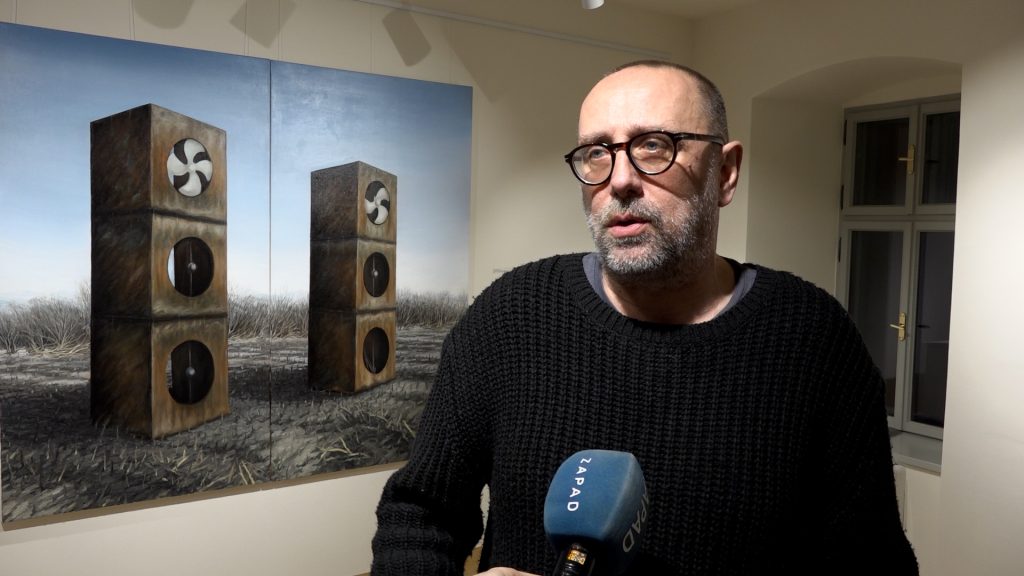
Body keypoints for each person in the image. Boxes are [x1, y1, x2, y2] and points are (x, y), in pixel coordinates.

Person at [370, 60, 918, 575]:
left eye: (654, 146)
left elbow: (873, 560)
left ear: (726, 172)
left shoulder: (813, 338)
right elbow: (419, 514)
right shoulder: (510, 314)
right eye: (596, 153)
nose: (620, 180)